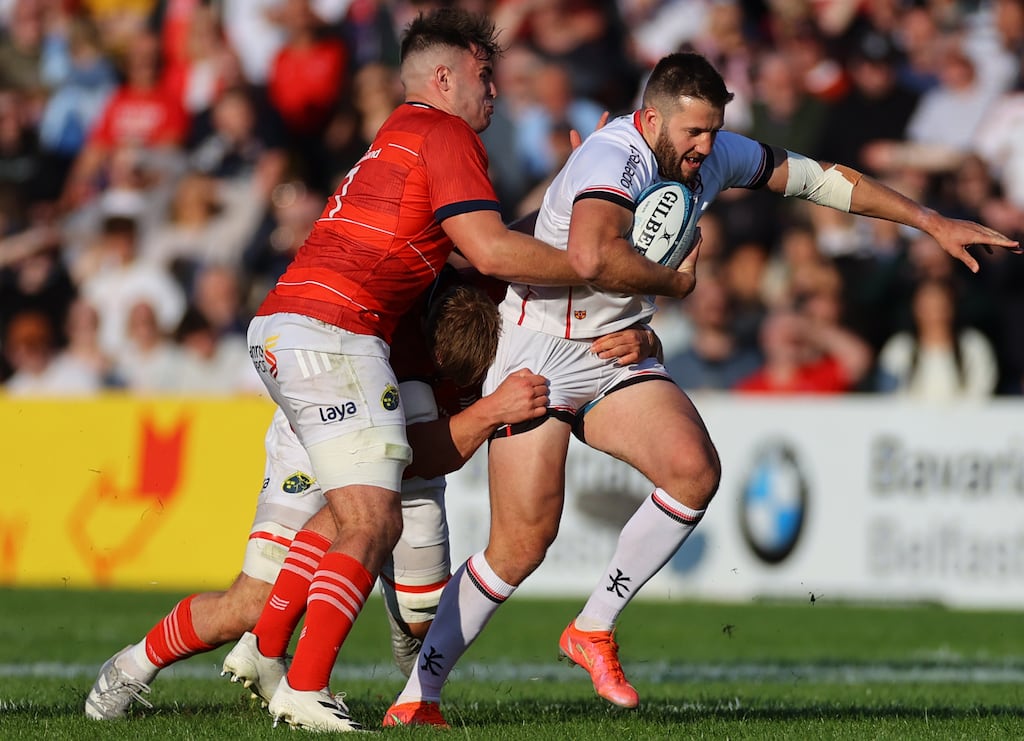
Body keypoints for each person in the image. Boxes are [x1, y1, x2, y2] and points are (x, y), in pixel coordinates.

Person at [383, 50, 1021, 728]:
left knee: (693, 471)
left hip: (618, 351)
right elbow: (593, 256)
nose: (706, 147)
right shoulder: (614, 158)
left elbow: (818, 180)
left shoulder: (712, 155)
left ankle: (593, 626)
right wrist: (677, 287)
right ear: (651, 116)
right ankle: (418, 696)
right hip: (539, 347)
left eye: (715, 130)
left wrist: (929, 220)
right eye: (693, 133)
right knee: (522, 542)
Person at [83, 269, 656, 721]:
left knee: (424, 618)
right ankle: (133, 665)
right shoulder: (394, 339)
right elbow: (417, 452)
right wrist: (487, 411)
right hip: (321, 435)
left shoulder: (505, 299)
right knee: (251, 605)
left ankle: (401, 689)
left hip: (406, 467)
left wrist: (641, 332)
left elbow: (562, 249)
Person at [238, 7, 585, 732]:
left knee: (347, 522)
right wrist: (594, 267)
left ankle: (256, 651)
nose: (494, 93)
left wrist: (565, 196)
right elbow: (491, 255)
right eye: (485, 78)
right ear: (444, 76)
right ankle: (298, 680)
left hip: (298, 321)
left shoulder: (402, 132)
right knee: (372, 518)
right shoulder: (445, 132)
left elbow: (479, 252)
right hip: (338, 332)